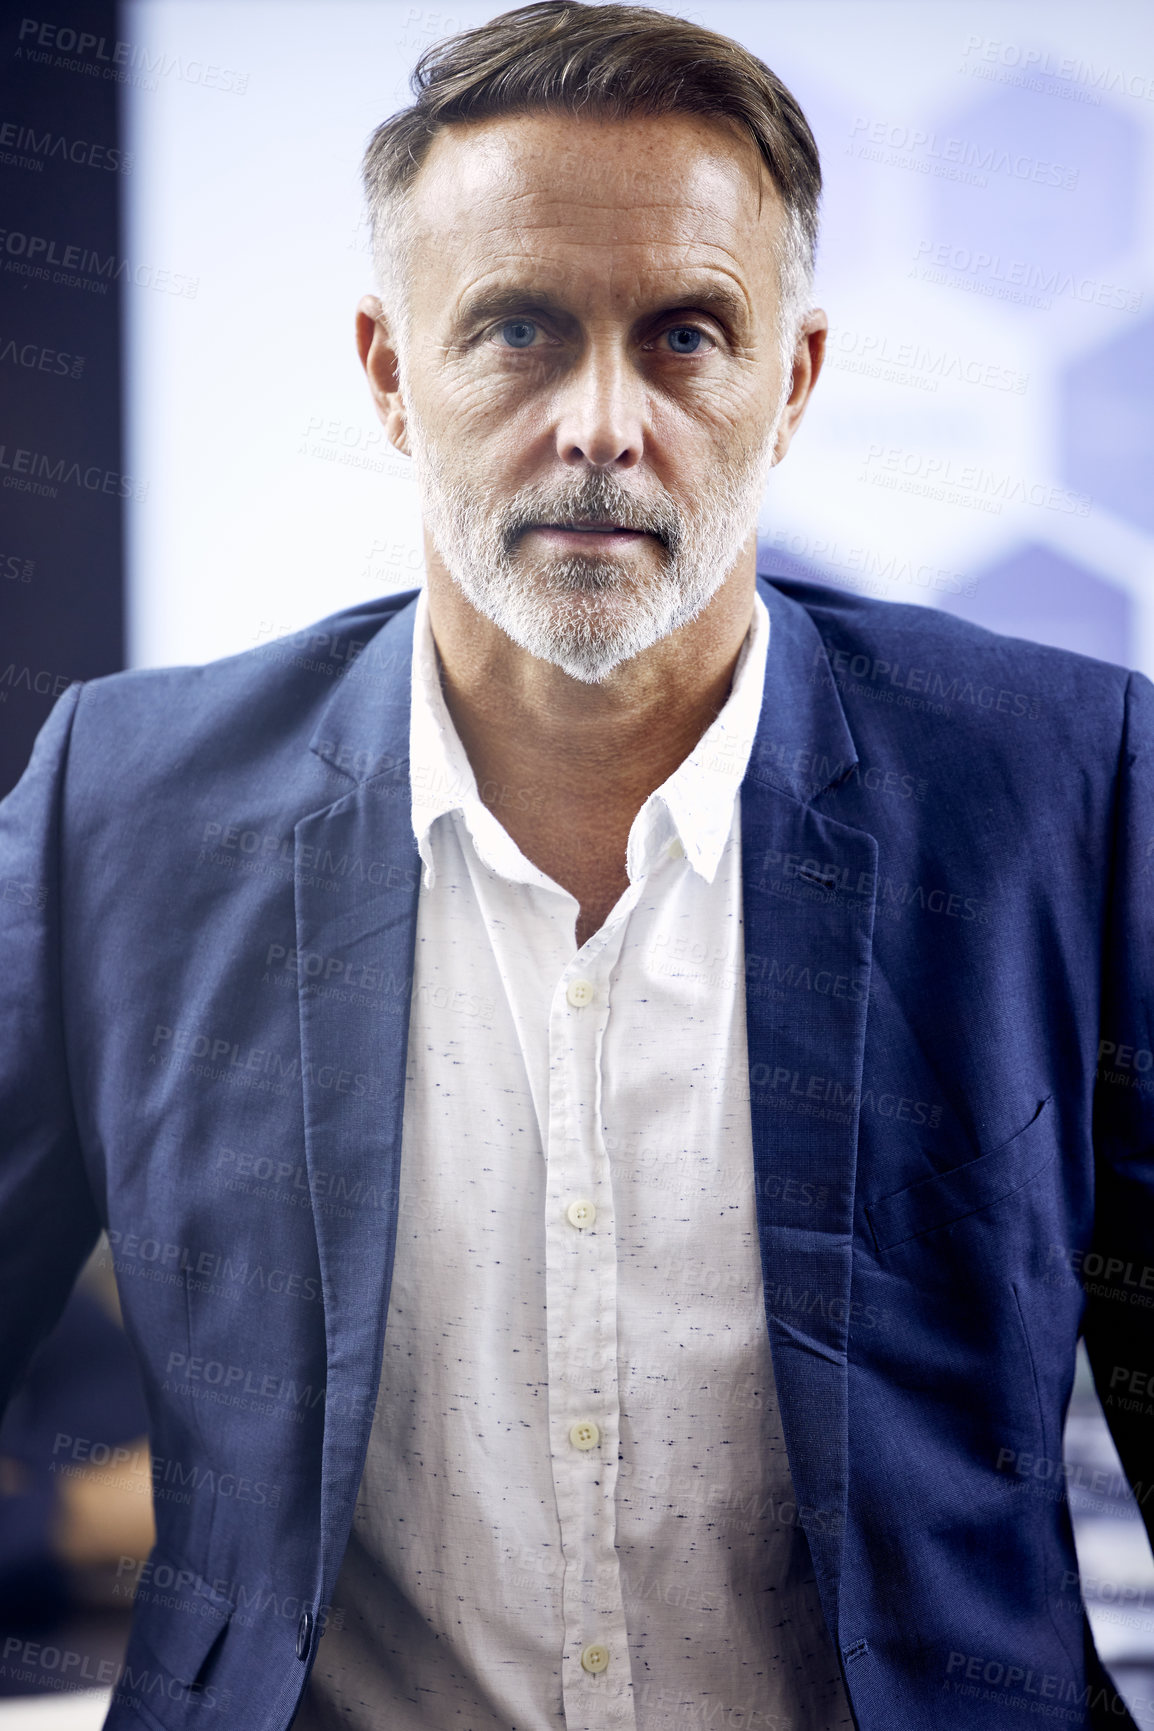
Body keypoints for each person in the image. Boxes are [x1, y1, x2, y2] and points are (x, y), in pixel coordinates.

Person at [0, 2, 1150, 1726]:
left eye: (685, 334)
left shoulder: (1063, 786)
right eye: (519, 331)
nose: (601, 423)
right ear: (392, 374)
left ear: (792, 382)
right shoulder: (132, 802)